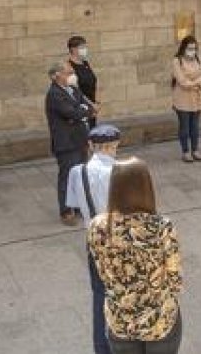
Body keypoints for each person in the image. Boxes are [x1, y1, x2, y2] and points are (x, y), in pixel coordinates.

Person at [88, 157, 184, 353]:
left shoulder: (97, 227)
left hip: (121, 320)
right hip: (160, 320)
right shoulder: (162, 226)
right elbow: (175, 280)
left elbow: (101, 273)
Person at [67, 124, 121, 354]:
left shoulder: (76, 171)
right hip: (117, 238)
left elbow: (74, 204)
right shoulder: (120, 171)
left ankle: (102, 349)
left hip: (93, 238)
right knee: (122, 295)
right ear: (114, 145)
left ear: (90, 146)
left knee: (99, 296)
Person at [46, 60, 94, 225]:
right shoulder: (55, 94)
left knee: (80, 175)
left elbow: (88, 107)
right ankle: (66, 211)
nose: (72, 75)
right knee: (67, 177)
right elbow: (72, 113)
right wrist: (84, 111)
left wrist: (85, 110)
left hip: (80, 139)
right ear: (57, 75)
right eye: (68, 72)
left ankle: (79, 206)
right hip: (66, 143)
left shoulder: (72, 89)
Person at [170, 36, 201, 163]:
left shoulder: (199, 58)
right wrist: (195, 83)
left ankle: (195, 150)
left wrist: (193, 81)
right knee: (184, 126)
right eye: (190, 48)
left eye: (194, 48)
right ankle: (185, 152)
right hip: (182, 98)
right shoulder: (177, 61)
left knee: (195, 125)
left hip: (197, 96)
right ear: (184, 48)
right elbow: (181, 81)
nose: (192, 50)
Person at [68, 36, 100, 126]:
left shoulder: (85, 63)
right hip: (81, 106)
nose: (85, 50)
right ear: (73, 49)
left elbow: (93, 80)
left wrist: (96, 102)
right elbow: (76, 90)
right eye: (82, 47)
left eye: (85, 47)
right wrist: (91, 105)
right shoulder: (69, 66)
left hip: (92, 105)